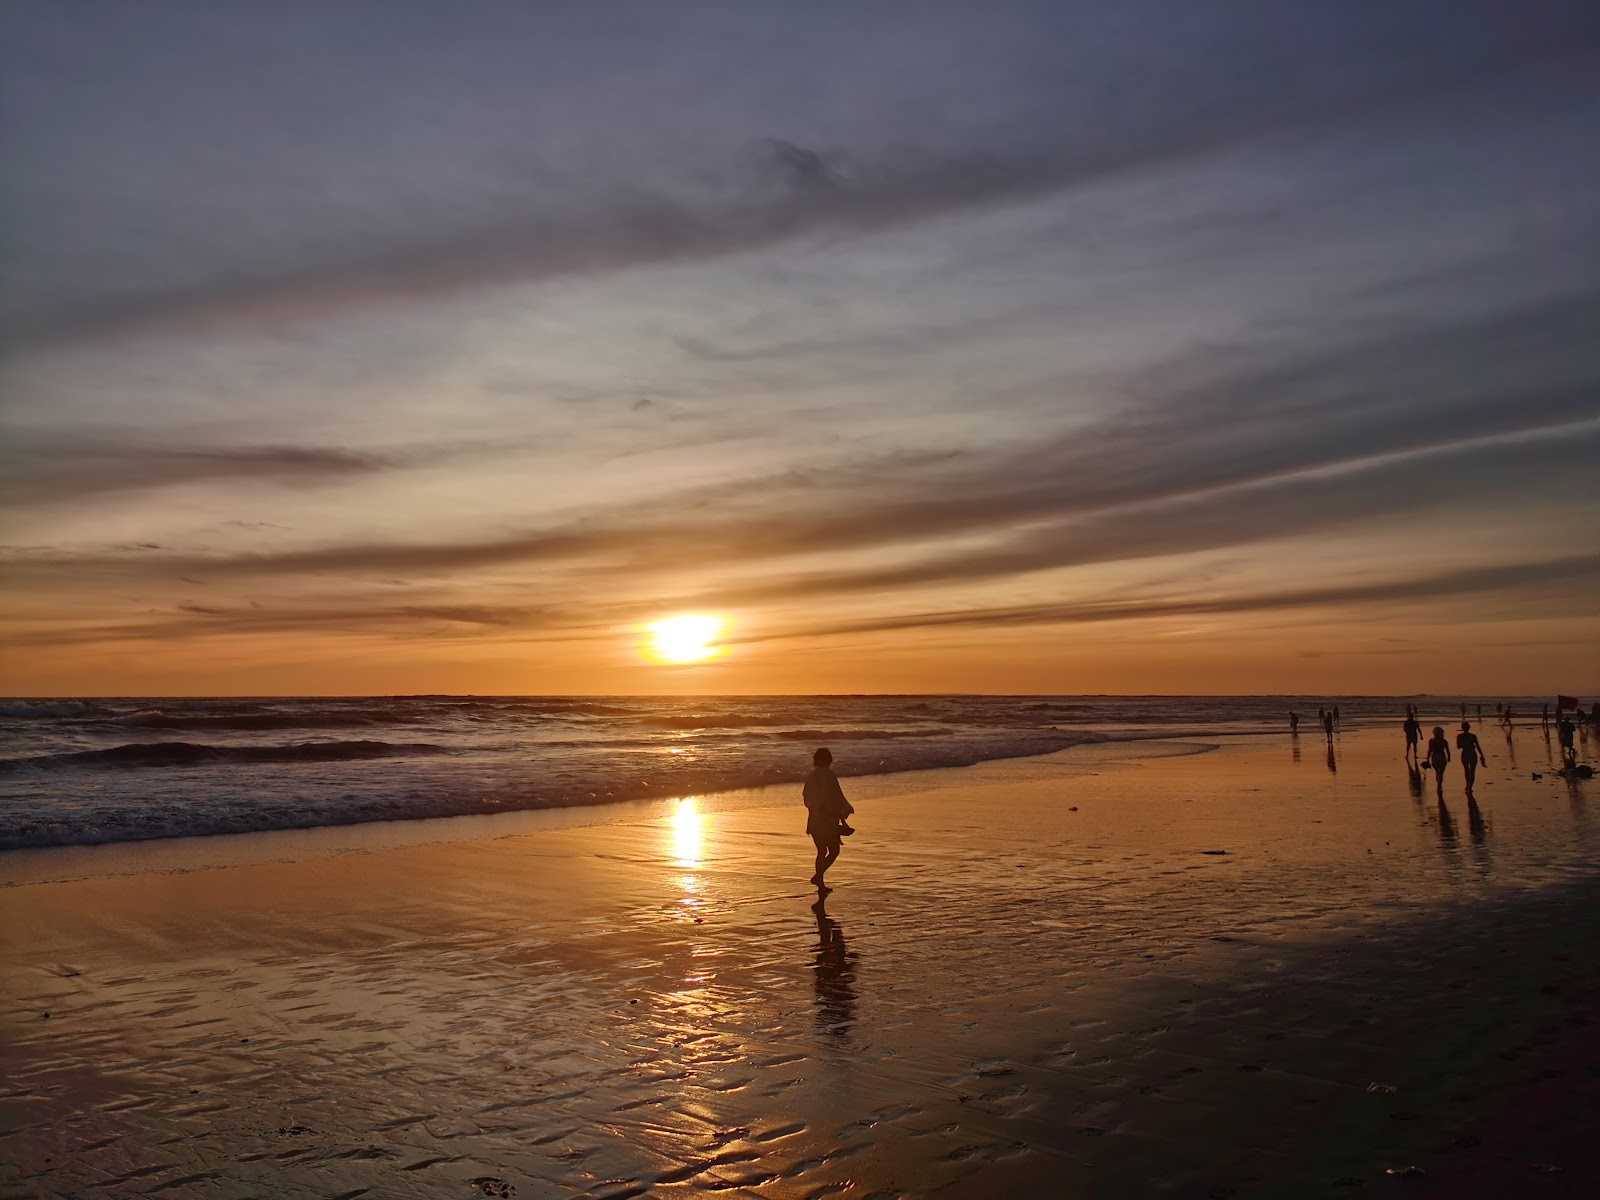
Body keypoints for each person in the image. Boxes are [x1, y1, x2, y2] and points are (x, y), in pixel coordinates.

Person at [803, 747, 854, 891]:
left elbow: (807, 800)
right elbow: (835, 798)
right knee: (833, 851)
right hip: (828, 820)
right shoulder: (829, 775)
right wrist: (842, 817)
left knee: (821, 851)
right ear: (828, 760)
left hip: (814, 820)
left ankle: (819, 880)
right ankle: (818, 877)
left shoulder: (811, 776)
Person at [1456, 721, 1488, 796]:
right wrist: (1482, 755)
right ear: (1469, 727)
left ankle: (1467, 785)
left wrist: (1464, 743)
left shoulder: (1459, 736)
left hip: (1464, 754)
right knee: (1472, 771)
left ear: (1462, 728)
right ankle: (1470, 787)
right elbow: (1478, 746)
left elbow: (1458, 747)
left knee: (1466, 771)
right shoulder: (1473, 736)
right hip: (1472, 754)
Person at [1425, 726, 1451, 797]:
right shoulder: (1444, 741)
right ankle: (1439, 784)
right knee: (1441, 772)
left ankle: (1438, 783)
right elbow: (1447, 751)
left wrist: (1427, 759)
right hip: (1442, 757)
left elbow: (1429, 751)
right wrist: (1449, 758)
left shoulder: (1431, 741)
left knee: (1437, 771)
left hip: (1435, 757)